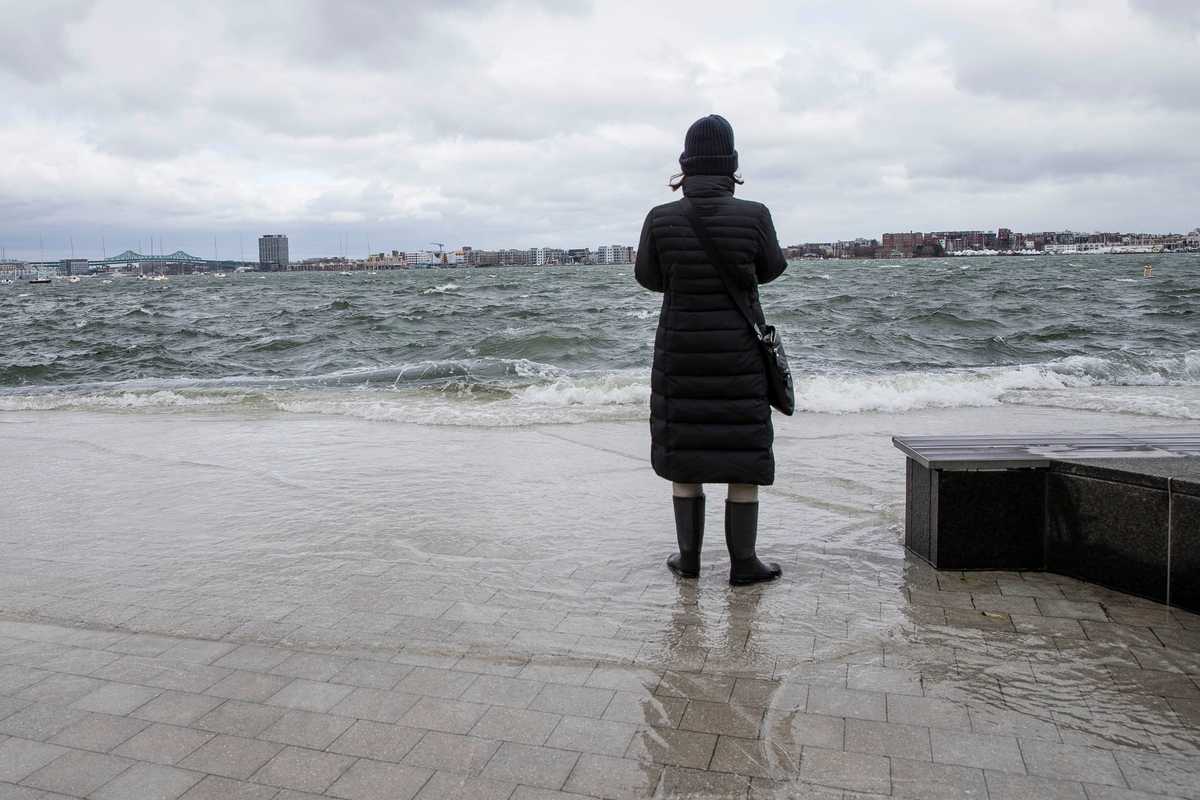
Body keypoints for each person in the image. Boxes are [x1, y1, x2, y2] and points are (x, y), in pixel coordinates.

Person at [634, 114, 788, 586]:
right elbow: (772, 268)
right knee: (741, 455)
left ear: (686, 164)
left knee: (688, 455)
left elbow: (647, 278)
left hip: (681, 352)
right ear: (732, 164)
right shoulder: (755, 215)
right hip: (740, 352)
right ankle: (744, 564)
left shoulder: (660, 219)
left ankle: (690, 560)